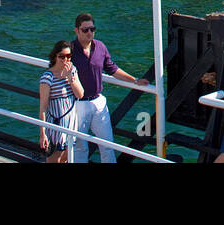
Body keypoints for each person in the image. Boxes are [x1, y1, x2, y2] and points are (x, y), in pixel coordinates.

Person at [69, 13, 149, 163]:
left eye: (92, 29)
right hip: (77, 104)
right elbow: (57, 70)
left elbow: (112, 68)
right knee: (80, 147)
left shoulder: (100, 47)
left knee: (107, 145)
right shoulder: (70, 50)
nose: (89, 33)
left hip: (98, 102)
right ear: (77, 31)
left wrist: (135, 80)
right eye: (85, 30)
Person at [38, 40, 83, 163]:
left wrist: (70, 79)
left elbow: (80, 94)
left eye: (68, 56)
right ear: (55, 56)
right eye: (61, 56)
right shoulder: (48, 77)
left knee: (66, 158)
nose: (65, 60)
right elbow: (43, 107)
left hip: (70, 124)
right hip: (55, 126)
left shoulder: (72, 70)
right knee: (54, 159)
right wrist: (42, 133)